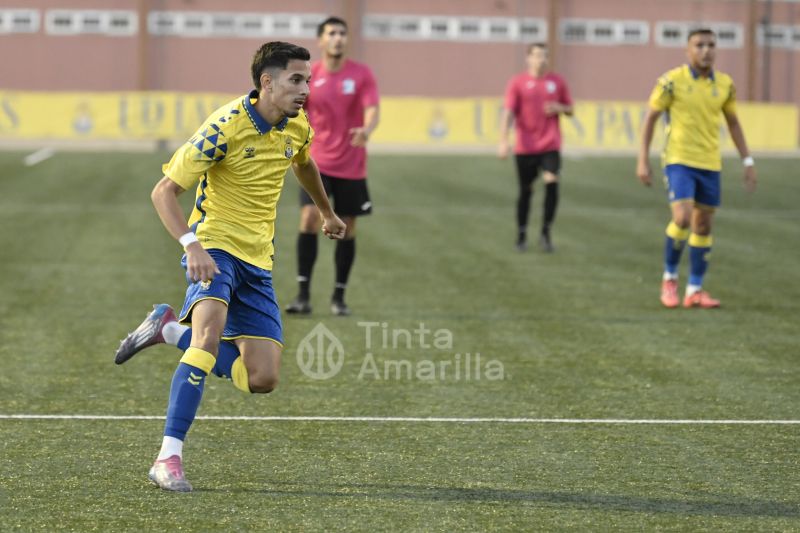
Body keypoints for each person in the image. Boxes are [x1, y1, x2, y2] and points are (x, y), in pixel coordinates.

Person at [113, 41, 346, 492]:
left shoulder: (296, 127)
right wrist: (191, 244)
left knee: (262, 378)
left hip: (258, 259)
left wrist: (327, 212)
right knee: (208, 336)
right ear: (267, 81)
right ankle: (168, 458)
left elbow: (304, 164)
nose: (305, 89)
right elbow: (164, 190)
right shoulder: (224, 127)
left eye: (308, 80)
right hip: (214, 246)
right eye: (296, 80)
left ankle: (167, 329)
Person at [637, 28, 757, 309]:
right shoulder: (671, 82)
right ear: (688, 50)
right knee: (682, 216)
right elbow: (650, 118)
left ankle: (694, 289)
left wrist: (748, 161)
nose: (706, 50)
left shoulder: (725, 84)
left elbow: (734, 123)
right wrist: (642, 159)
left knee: (703, 224)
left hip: (710, 163)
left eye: (711, 45)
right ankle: (669, 279)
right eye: (699, 45)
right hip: (679, 160)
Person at [285, 16, 379, 316]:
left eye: (342, 33)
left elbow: (372, 108)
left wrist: (367, 129)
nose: (338, 38)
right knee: (310, 218)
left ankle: (339, 298)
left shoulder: (361, 74)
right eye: (332, 33)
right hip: (318, 162)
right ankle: (302, 295)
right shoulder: (312, 77)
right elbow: (298, 113)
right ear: (321, 40)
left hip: (352, 164)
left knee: (348, 227)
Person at [498, 42, 573, 252]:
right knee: (526, 191)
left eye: (545, 56)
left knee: (552, 182)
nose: (541, 60)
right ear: (528, 58)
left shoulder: (557, 82)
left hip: (550, 144)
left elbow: (570, 109)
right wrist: (503, 140)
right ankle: (521, 234)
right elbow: (508, 112)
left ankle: (546, 233)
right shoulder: (518, 83)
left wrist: (560, 107)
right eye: (537, 55)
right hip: (525, 146)